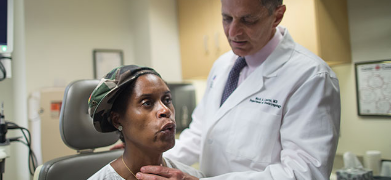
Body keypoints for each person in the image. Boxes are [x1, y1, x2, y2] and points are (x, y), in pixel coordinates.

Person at [136, 0, 341, 180]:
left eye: (248, 20)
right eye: (227, 18)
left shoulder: (310, 76)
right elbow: (199, 136)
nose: (233, 32)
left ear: (277, 16)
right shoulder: (223, 65)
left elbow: (305, 173)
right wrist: (142, 152)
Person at [87, 65, 205, 180]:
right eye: (147, 103)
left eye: (167, 100)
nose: (165, 110)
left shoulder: (193, 177)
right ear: (117, 120)